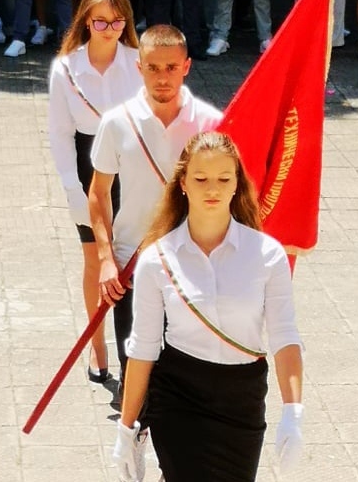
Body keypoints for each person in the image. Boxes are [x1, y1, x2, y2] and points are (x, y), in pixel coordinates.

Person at [113, 131, 303, 482]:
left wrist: (293, 410)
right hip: (179, 394)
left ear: (237, 185)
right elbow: (142, 348)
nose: (212, 189)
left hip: (241, 400)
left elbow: (284, 336)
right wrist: (126, 427)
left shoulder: (267, 255)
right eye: (200, 179)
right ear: (183, 183)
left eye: (223, 179)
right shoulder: (157, 259)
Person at [89, 24, 221, 406]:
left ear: (187, 67)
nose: (162, 78)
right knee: (136, 380)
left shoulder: (210, 123)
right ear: (138, 67)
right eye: (153, 68)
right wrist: (105, 259)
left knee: (185, 378)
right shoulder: (117, 122)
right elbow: (98, 194)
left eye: (171, 68)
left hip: (194, 262)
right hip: (132, 262)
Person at [48, 0, 143, 383]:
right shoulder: (66, 68)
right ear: (86, 20)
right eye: (101, 22)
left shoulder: (139, 61)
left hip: (133, 169)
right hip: (90, 173)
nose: (109, 29)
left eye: (117, 22)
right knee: (95, 261)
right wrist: (72, 187)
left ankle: (134, 352)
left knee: (130, 264)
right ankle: (97, 341)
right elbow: (60, 133)